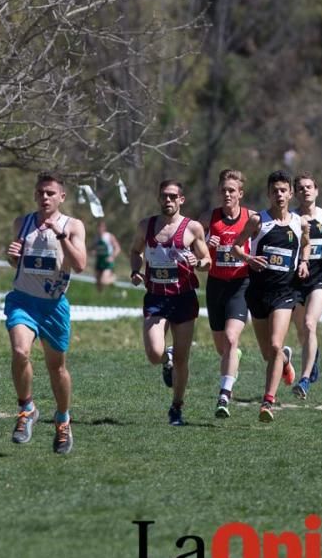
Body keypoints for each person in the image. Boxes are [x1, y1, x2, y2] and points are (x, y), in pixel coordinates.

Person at [4, 171, 87, 454]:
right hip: (23, 301)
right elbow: (16, 261)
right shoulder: (22, 222)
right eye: (40, 192)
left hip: (53, 307)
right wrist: (11, 255)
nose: (45, 197)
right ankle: (26, 409)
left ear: (61, 197)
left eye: (50, 193)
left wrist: (61, 236)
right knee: (19, 352)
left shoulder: (73, 225)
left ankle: (63, 420)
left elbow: (80, 265)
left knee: (57, 368)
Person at [129, 180, 211, 426]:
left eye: (173, 196)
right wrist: (135, 271)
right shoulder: (147, 225)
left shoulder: (192, 228)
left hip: (183, 297)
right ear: (158, 198)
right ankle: (167, 359)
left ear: (181, 200)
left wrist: (200, 263)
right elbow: (135, 251)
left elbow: (207, 259)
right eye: (164, 196)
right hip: (156, 297)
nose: (168, 200)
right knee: (154, 353)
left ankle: (176, 406)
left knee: (184, 359)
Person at [231, 170, 310, 422]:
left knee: (275, 344)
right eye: (274, 191)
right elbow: (235, 247)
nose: (279, 195)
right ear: (268, 194)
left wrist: (304, 261)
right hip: (258, 293)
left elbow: (306, 243)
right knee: (269, 354)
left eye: (283, 190)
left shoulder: (300, 223)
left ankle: (268, 402)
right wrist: (248, 258)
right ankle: (285, 360)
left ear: (290, 193)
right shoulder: (258, 221)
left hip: (285, 293)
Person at [198, 169, 255, 418]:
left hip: (240, 285)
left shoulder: (251, 218)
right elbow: (198, 253)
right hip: (216, 285)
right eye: (224, 190)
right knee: (222, 347)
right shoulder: (210, 218)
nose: (227, 194)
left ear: (240, 194)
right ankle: (234, 357)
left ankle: (224, 394)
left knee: (232, 338)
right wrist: (205, 245)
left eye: (232, 190)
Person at [289, 173, 322, 400]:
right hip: (295, 280)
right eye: (300, 188)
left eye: (309, 187)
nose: (305, 191)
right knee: (302, 330)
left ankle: (304, 380)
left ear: (316, 190)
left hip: (319, 277)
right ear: (295, 193)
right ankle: (313, 355)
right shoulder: (291, 217)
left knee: (310, 324)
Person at [92, 220, 121, 292]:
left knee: (103, 281)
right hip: (99, 261)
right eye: (98, 227)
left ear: (104, 228)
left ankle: (113, 279)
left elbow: (117, 248)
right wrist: (94, 252)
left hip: (107, 261)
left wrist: (112, 257)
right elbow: (94, 248)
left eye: (101, 227)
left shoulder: (109, 236)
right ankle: (100, 298)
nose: (100, 229)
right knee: (98, 283)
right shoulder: (96, 238)